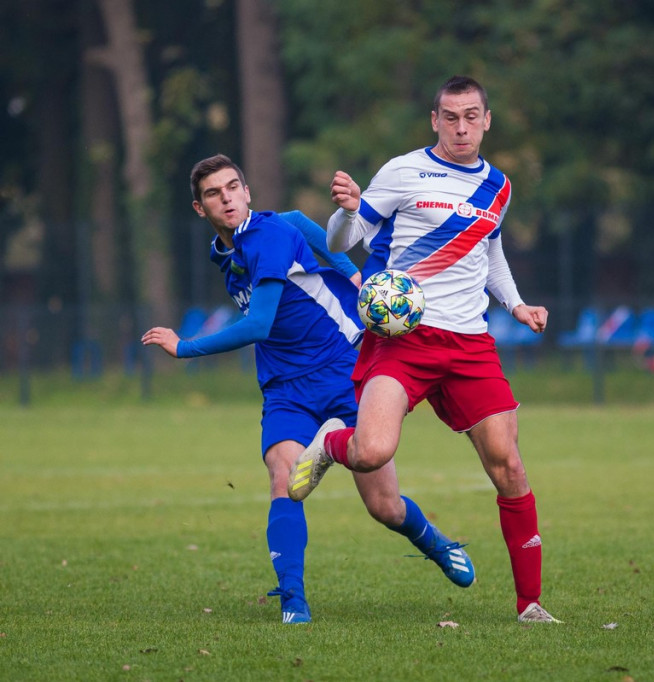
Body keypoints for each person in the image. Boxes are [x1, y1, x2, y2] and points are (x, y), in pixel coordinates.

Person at [142, 154, 476, 624]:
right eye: (214, 194)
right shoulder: (227, 250)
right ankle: (293, 602)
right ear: (201, 209)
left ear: (247, 192)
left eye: (234, 187)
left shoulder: (267, 237)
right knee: (282, 478)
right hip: (285, 386)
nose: (227, 198)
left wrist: (185, 348)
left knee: (385, 506)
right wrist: (347, 268)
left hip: (343, 368)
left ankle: (438, 545)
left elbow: (258, 323)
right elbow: (299, 219)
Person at [287, 75, 559, 623]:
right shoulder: (403, 171)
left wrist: (516, 305)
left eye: (471, 117)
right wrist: (348, 210)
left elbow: (491, 253)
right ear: (435, 120)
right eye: (450, 117)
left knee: (509, 466)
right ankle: (332, 445)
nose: (461, 128)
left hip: (471, 344)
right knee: (372, 452)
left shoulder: (498, 187)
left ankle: (530, 605)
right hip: (402, 339)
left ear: (487, 121)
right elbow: (342, 241)